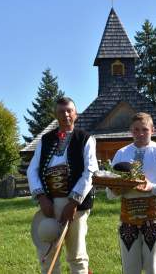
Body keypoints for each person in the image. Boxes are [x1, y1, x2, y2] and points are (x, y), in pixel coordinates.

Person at [27, 97, 98, 274]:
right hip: (49, 204)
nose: (66, 114)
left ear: (76, 114)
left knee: (77, 255)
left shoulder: (86, 139)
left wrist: (73, 203)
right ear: (55, 115)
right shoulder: (45, 140)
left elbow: (90, 171)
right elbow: (32, 170)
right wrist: (42, 198)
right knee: (47, 254)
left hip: (76, 206)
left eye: (69, 111)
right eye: (61, 111)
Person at [107, 112, 156, 274]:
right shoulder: (121, 154)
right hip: (128, 219)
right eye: (136, 130)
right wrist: (118, 188)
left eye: (144, 129)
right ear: (130, 131)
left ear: (152, 130)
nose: (140, 133)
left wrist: (152, 186)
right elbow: (109, 194)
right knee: (129, 269)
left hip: (154, 218)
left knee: (152, 269)